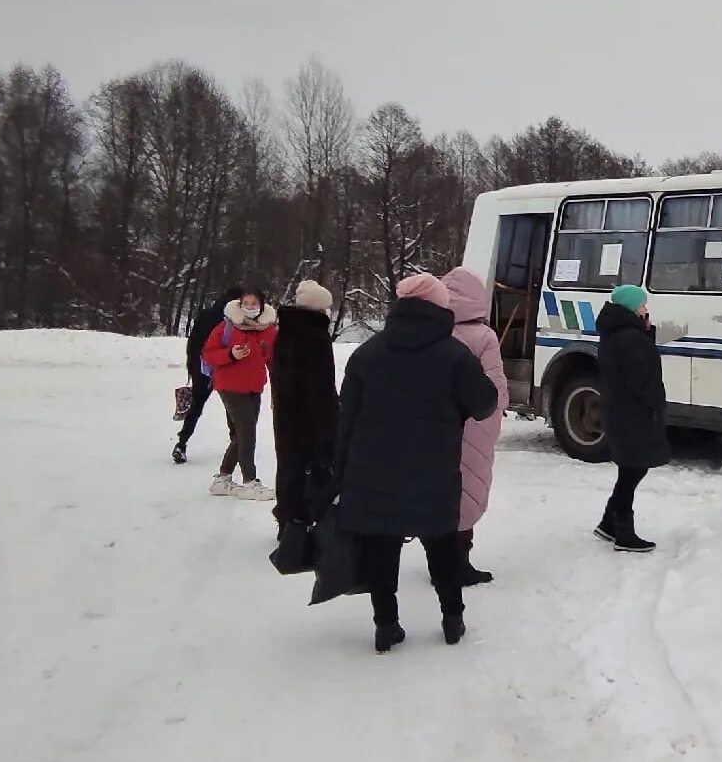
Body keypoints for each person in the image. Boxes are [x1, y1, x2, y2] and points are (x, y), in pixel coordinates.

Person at [336, 273, 499, 653]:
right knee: (442, 546)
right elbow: (485, 403)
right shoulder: (455, 354)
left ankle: (385, 626)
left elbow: (346, 418)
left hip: (373, 470)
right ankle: (452, 620)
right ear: (440, 307)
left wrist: (340, 473)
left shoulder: (367, 353)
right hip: (435, 470)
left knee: (381, 548)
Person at [442, 267, 509, 586]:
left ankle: (439, 559)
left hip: (439, 422)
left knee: (442, 488)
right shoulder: (484, 336)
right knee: (471, 484)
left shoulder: (434, 331)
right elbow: (495, 387)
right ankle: (459, 562)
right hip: (475, 420)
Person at [594, 284, 668, 553]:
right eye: (642, 305)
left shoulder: (618, 334)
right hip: (633, 412)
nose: (646, 309)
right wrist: (656, 403)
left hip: (621, 410)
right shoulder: (630, 338)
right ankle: (623, 534)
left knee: (630, 468)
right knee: (634, 469)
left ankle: (608, 523)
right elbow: (642, 379)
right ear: (630, 308)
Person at [271, 280, 339, 539]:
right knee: (313, 467)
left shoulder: (286, 331)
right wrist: (331, 426)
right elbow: (321, 387)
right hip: (310, 416)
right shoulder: (315, 336)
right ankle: (303, 523)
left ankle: (287, 519)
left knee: (288, 464)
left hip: (286, 412)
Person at [201, 287, 278, 500]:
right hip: (229, 386)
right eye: (246, 304)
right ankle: (249, 482)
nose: (250, 308)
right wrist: (230, 354)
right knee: (247, 433)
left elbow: (273, 361)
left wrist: (276, 390)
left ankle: (222, 479)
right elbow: (208, 354)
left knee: (240, 435)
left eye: (254, 304)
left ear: (261, 307)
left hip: (254, 387)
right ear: (240, 305)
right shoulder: (227, 326)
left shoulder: (269, 330)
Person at [173, 285, 245, 464]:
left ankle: (182, 443)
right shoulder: (236, 320)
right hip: (225, 367)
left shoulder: (206, 315)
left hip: (202, 368)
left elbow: (193, 342)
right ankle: (236, 443)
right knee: (232, 406)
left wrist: (192, 367)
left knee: (196, 406)